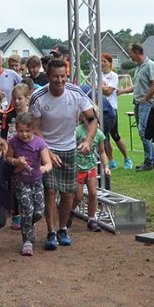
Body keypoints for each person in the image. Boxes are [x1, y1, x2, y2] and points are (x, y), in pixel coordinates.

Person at [29, 59, 97, 250]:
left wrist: (88, 141)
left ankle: (62, 229)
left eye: (63, 76)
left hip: (69, 147)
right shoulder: (38, 97)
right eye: (56, 77)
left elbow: (92, 120)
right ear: (48, 77)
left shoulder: (76, 93)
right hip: (46, 147)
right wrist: (47, 152)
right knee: (50, 191)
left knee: (68, 193)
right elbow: (35, 128)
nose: (60, 80)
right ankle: (50, 232)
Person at [7, 112, 52, 256]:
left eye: (27, 131)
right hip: (21, 181)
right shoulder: (13, 142)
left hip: (37, 181)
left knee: (38, 211)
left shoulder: (39, 143)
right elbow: (7, 158)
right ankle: (27, 241)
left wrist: (45, 167)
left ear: (33, 130)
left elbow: (48, 162)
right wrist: (15, 161)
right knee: (27, 209)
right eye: (20, 131)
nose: (24, 134)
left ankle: (29, 224)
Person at [118, 43, 154, 171]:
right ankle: (149, 160)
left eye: (130, 53)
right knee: (143, 131)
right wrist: (122, 91)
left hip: (146, 103)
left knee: (143, 131)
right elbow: (136, 86)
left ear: (136, 52)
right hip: (138, 102)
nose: (129, 55)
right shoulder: (138, 67)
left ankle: (150, 161)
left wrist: (146, 98)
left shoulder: (150, 65)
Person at [73, 113, 109, 230]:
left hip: (90, 167)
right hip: (77, 168)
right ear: (82, 117)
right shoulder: (77, 131)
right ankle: (70, 211)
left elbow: (102, 152)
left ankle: (91, 219)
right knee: (78, 196)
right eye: (87, 117)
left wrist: (106, 166)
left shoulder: (98, 133)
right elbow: (70, 148)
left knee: (93, 194)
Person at [99, 54, 131, 170]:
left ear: (110, 63)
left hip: (111, 108)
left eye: (105, 61)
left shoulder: (114, 76)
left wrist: (99, 87)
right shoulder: (98, 75)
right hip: (100, 108)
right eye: (101, 61)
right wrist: (102, 87)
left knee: (115, 135)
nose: (102, 63)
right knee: (104, 136)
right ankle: (111, 161)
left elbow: (108, 92)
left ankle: (127, 159)